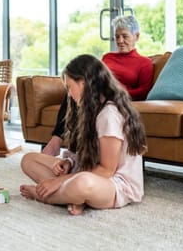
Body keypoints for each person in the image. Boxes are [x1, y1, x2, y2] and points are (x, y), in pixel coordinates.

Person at [20, 54, 147, 215]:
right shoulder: (90, 109)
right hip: (90, 172)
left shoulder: (109, 114)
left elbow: (107, 170)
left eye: (69, 87)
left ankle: (45, 196)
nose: (69, 94)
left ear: (84, 83)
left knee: (81, 183)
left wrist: (57, 181)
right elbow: (88, 156)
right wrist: (68, 162)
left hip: (114, 184)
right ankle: (74, 198)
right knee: (29, 160)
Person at [43, 15, 153, 156]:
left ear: (136, 36)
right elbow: (94, 77)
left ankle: (73, 153)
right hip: (97, 94)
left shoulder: (144, 63)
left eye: (125, 36)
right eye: (117, 36)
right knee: (74, 93)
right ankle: (57, 142)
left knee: (87, 98)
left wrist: (114, 91)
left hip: (114, 98)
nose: (120, 41)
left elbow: (144, 91)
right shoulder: (108, 57)